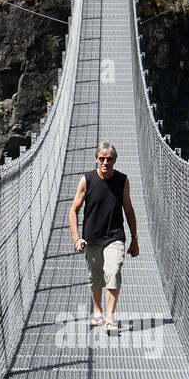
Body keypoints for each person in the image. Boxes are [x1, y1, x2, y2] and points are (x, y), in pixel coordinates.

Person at [69, 143, 139, 333]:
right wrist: (77, 238)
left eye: (109, 159)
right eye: (102, 158)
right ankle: (97, 311)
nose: (105, 162)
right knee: (95, 276)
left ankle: (109, 317)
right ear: (96, 159)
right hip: (91, 238)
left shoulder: (122, 180)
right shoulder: (87, 179)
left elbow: (129, 210)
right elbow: (74, 210)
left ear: (115, 160)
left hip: (115, 236)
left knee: (113, 270)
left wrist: (134, 238)